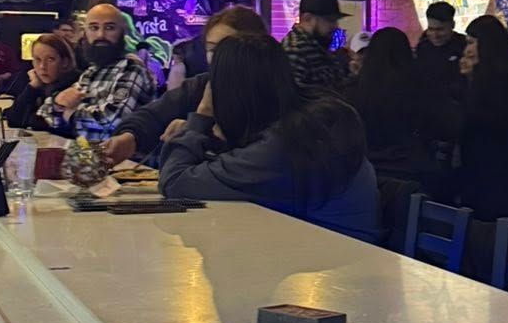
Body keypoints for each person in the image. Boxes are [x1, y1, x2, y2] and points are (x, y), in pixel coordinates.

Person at [157, 34, 377, 240]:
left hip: (333, 264)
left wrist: (201, 116)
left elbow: (175, 182)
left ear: (227, 91)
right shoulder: (310, 119)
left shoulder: (284, 144)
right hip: (347, 253)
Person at [103, 6, 268, 165]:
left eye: (228, 48)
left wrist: (196, 129)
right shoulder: (199, 86)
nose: (219, 57)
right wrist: (130, 138)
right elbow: (153, 114)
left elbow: (254, 157)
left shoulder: (272, 91)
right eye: (212, 49)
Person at [456, 14, 508, 223]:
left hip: (494, 165)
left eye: (471, 43)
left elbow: (479, 117)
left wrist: (468, 82)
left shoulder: (496, 80)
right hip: (501, 162)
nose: (466, 50)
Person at [346, 27, 449, 182]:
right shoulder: (418, 89)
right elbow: (441, 125)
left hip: (366, 170)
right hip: (410, 171)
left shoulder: (354, 91)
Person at [50, 4, 155, 138]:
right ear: (85, 33)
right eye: (94, 28)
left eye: (110, 28)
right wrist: (58, 103)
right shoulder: (91, 72)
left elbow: (112, 120)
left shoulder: (131, 67)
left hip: (122, 158)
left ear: (122, 33)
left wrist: (69, 113)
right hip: (86, 155)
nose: (101, 35)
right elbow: (47, 114)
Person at [282, 0, 349, 98]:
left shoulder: (317, 46)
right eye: (329, 19)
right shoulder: (295, 50)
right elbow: (294, 102)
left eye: (335, 20)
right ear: (307, 18)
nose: (336, 25)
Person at [7, 34, 78, 132]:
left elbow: (41, 123)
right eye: (37, 59)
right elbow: (13, 121)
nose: (42, 66)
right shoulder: (38, 83)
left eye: (50, 59)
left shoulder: (76, 84)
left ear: (64, 62)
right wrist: (32, 87)